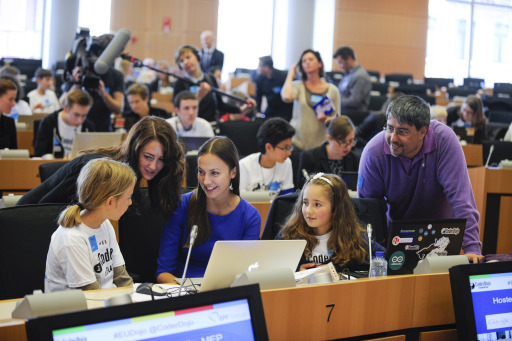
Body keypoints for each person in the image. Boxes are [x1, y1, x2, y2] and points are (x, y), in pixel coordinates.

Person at [358, 95, 483, 262]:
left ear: (423, 131)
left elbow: (461, 200)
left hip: (442, 239)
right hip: (395, 239)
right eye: (389, 128)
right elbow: (368, 213)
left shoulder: (444, 141)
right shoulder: (374, 152)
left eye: (402, 131)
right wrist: (378, 255)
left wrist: (472, 248)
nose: (393, 138)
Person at [17, 116, 185, 219]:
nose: (153, 166)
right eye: (148, 157)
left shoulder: (133, 177)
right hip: (29, 222)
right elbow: (42, 211)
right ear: (134, 150)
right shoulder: (101, 171)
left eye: (161, 159)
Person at [156, 137, 261, 283]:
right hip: (182, 291)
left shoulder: (250, 216)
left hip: (226, 293)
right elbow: (163, 272)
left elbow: (245, 273)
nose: (206, 181)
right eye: (201, 172)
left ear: (233, 172)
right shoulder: (182, 205)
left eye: (215, 173)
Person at [44, 158, 135, 292]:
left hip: (107, 302)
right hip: (80, 308)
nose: (130, 202)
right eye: (128, 197)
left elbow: (121, 277)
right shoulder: (72, 238)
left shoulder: (105, 224)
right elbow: (90, 294)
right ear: (110, 202)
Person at [276, 173, 385, 272]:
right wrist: (295, 272)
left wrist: (335, 270)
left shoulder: (352, 237)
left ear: (336, 209)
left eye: (317, 204)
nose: (308, 210)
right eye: (305, 203)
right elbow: (271, 270)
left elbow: (384, 259)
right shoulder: (289, 235)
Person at [173, 45, 254, 123]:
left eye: (188, 57)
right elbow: (179, 111)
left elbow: (220, 105)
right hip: (191, 129)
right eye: (181, 61)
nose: (185, 62)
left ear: (197, 57)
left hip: (212, 126)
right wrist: (199, 96)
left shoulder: (211, 79)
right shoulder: (179, 84)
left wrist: (240, 109)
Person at [281, 49, 340, 151]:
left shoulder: (332, 90)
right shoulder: (298, 86)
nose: (307, 62)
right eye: (304, 61)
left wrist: (327, 120)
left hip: (321, 145)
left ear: (319, 63)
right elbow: (287, 97)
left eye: (311, 59)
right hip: (297, 143)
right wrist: (291, 74)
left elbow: (337, 119)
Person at [64, 33, 124, 132]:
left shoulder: (116, 75)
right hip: (75, 129)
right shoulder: (80, 69)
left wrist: (103, 93)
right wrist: (77, 83)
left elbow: (118, 108)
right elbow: (64, 104)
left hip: (102, 131)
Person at [298, 115, 359, 188]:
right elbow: (300, 190)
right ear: (330, 139)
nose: (348, 146)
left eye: (351, 141)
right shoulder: (310, 158)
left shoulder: (356, 159)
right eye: (343, 142)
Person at [239, 118, 295, 194]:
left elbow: (287, 198)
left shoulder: (286, 163)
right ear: (269, 147)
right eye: (285, 148)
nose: (289, 153)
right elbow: (237, 200)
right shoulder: (244, 166)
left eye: (290, 148)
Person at [34, 89, 95, 158]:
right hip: (54, 167)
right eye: (76, 115)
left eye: (84, 116)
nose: (80, 121)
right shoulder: (48, 122)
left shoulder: (88, 127)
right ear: (65, 109)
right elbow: (38, 156)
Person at [333, 46, 372, 111]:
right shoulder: (349, 74)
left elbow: (354, 102)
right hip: (344, 110)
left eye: (340, 63)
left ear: (349, 59)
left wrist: (335, 100)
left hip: (354, 114)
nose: (340, 66)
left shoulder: (360, 76)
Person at [255, 56, 293, 121]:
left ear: (266, 67)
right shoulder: (260, 79)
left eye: (259, 66)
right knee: (261, 121)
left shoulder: (283, 76)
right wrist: (258, 112)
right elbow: (258, 97)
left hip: (285, 110)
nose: (258, 68)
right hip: (271, 108)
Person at [0, 78, 18, 149]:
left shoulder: (9, 123)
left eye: (14, 99)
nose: (13, 104)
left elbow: (14, 155)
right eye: (10, 99)